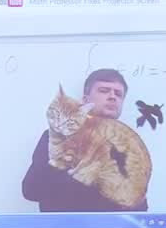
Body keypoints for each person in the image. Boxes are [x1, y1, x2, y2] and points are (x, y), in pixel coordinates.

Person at [21, 68, 148, 212]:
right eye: (104, 90)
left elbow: (139, 206)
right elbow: (31, 190)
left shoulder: (128, 146)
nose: (113, 96)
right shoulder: (58, 136)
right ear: (86, 100)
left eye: (118, 94)